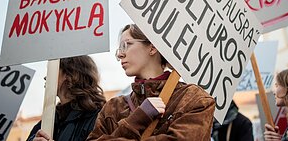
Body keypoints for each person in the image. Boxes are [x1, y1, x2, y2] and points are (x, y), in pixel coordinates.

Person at [87, 23, 215, 140]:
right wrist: (137, 119)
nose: (120, 54)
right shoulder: (113, 108)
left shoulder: (194, 99)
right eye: (119, 49)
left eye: (126, 45)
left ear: (152, 48)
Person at [27, 55, 106, 141]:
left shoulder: (98, 119)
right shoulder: (47, 122)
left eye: (51, 71)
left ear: (69, 75)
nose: (45, 77)